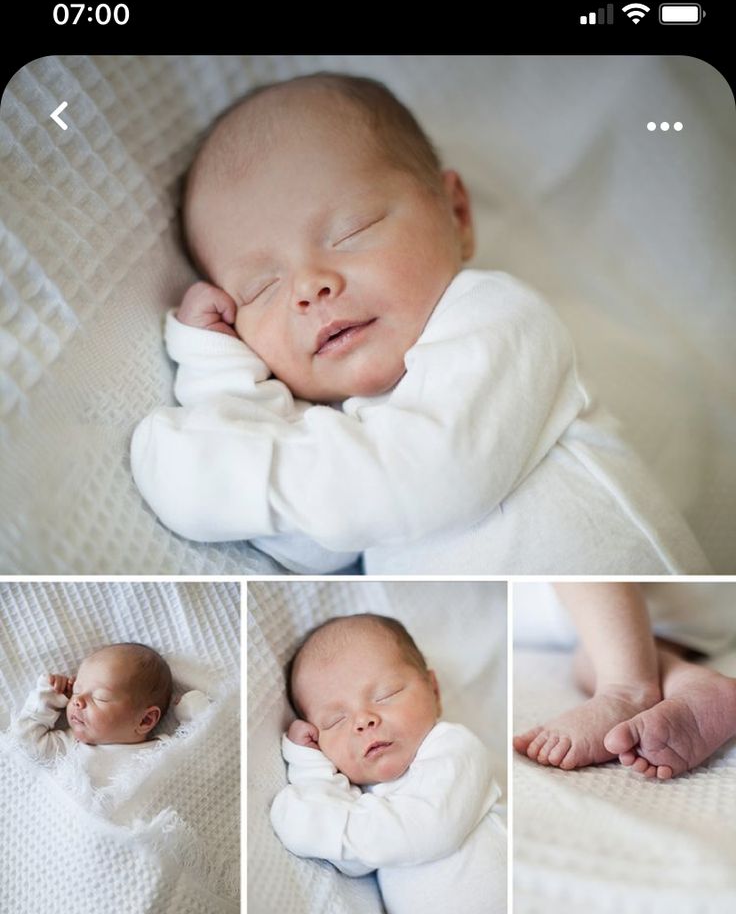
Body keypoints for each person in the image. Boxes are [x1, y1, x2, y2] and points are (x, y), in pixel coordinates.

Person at [130, 72, 706, 577]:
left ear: (455, 214)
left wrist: (210, 473)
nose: (309, 287)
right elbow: (308, 547)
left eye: (351, 230)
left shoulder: (497, 317)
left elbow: (438, 474)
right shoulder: (328, 432)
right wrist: (218, 380)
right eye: (260, 287)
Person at [269, 613, 506, 914]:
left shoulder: (453, 748)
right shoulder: (364, 802)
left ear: (434, 691)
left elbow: (426, 830)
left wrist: (300, 817)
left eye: (385, 695)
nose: (364, 720)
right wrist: (308, 765)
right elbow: (351, 860)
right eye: (335, 720)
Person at [513, 583, 736, 779]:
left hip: (632, 590)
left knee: (582, 578)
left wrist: (622, 686)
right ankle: (691, 683)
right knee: (593, 662)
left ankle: (626, 690)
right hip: (700, 610)